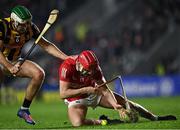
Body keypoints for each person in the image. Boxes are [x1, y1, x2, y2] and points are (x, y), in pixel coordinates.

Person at [58, 50, 177, 127]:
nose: (91, 74)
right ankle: (103, 121)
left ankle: (154, 117)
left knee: (127, 104)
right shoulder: (67, 67)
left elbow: (105, 90)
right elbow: (63, 94)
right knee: (78, 123)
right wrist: (86, 90)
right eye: (87, 71)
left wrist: (116, 105)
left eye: (92, 71)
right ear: (79, 64)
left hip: (94, 92)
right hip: (76, 99)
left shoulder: (95, 69)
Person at [0, 5, 68, 125]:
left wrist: (66, 58)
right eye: (23, 24)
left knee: (39, 74)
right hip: (2, 60)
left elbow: (46, 45)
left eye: (28, 23)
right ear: (14, 21)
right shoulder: (3, 26)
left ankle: (24, 109)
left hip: (15, 61)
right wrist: (9, 67)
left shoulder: (30, 28)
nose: (26, 26)